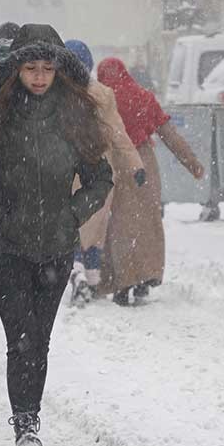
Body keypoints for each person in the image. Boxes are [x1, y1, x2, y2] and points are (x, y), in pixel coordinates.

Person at [0, 24, 113, 446]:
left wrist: (71, 214)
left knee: (37, 340)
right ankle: (26, 430)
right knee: (20, 338)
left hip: (56, 248)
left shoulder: (75, 118)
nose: (39, 77)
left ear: (59, 70)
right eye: (30, 68)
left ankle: (28, 423)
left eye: (47, 68)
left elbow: (101, 178)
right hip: (5, 249)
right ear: (15, 70)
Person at [96, 57, 204, 305]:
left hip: (112, 163)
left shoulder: (102, 99)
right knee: (147, 221)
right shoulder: (143, 96)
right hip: (144, 164)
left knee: (119, 224)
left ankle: (123, 281)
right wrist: (191, 162)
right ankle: (147, 276)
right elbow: (169, 133)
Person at [64, 39, 145, 306]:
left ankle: (79, 277)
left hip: (65, 171)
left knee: (72, 227)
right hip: (99, 171)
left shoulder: (54, 95)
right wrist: (136, 164)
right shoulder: (103, 94)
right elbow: (118, 132)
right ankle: (91, 279)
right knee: (94, 229)